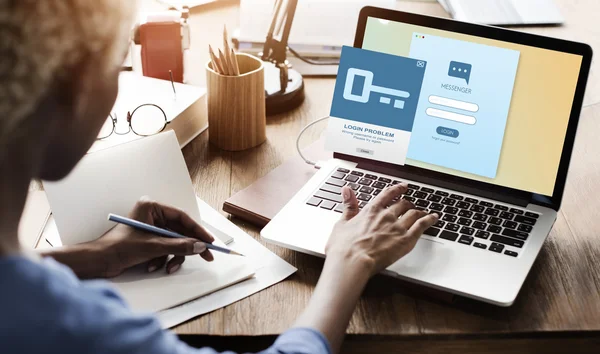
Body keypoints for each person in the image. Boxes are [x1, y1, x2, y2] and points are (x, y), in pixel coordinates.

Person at [0, 1, 438, 353]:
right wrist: (349, 261)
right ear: (71, 90)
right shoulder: (77, 328)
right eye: (117, 67)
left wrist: (95, 255)